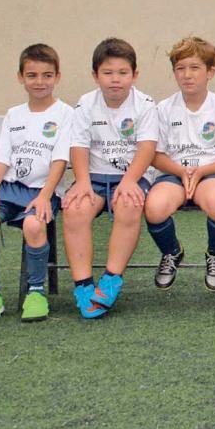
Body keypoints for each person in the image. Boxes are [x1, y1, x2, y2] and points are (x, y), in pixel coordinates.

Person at [0, 45, 72, 323]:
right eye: (32, 75)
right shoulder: (14, 114)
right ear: (20, 77)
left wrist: (45, 196)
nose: (40, 82)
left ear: (57, 77)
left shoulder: (65, 114)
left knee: (33, 225)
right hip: (8, 189)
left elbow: (60, 159)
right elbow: (1, 157)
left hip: (42, 192)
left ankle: (35, 292)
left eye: (47, 75)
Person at [62, 38, 158, 319]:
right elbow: (78, 145)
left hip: (130, 175)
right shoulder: (84, 104)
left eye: (122, 73)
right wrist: (81, 182)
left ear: (134, 75)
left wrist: (129, 181)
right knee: (75, 209)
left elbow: (147, 148)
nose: (115, 80)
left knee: (129, 204)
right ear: (95, 76)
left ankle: (111, 279)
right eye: (107, 73)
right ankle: (83, 285)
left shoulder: (145, 105)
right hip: (92, 176)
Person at [144, 37, 215, 293]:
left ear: (210, 72)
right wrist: (181, 172)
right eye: (180, 68)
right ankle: (172, 252)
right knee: (154, 207)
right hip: (173, 174)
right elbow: (155, 154)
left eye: (195, 68)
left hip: (210, 174)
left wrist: (200, 172)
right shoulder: (162, 110)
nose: (187, 75)